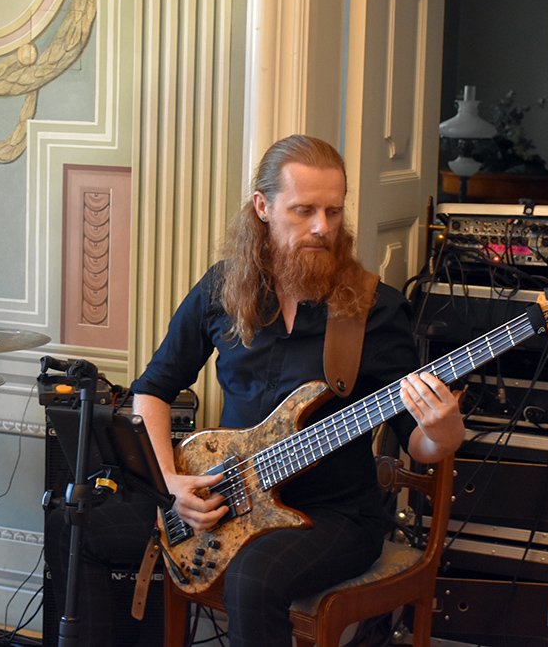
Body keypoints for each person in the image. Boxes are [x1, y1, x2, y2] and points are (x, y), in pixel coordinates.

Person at [131, 134, 465, 646]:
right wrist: (170, 483)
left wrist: (443, 431)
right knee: (92, 519)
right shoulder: (223, 287)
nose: (322, 227)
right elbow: (152, 390)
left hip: (335, 516)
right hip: (231, 500)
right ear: (262, 207)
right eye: (304, 210)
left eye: (333, 211)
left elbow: (416, 441)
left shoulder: (374, 309)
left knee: (254, 578)